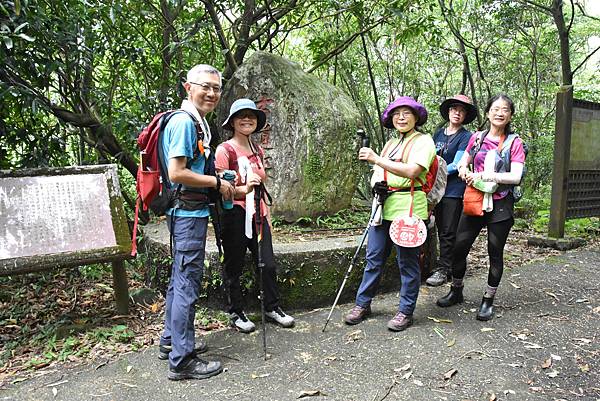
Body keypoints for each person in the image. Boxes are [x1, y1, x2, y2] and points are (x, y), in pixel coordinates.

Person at [158, 64, 234, 381]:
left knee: (179, 279)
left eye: (216, 88)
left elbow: (190, 169)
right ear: (188, 87)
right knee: (187, 284)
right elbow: (177, 173)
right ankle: (182, 359)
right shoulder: (184, 122)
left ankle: (169, 341)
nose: (212, 93)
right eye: (205, 87)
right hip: (187, 215)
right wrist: (216, 184)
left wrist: (217, 180)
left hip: (190, 211)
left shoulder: (195, 121)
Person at [344, 96, 436, 331]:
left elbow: (413, 171)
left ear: (416, 117)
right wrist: (377, 181)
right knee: (373, 258)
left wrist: (377, 158)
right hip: (382, 206)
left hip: (409, 207)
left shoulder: (424, 141)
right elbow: (378, 172)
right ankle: (362, 304)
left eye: (407, 113)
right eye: (397, 114)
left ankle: (406, 311)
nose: (401, 117)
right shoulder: (390, 143)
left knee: (407, 262)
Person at [436, 94, 526, 321]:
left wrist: (491, 175)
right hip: (475, 199)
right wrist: (465, 171)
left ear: (510, 115)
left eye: (505, 109)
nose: (499, 112)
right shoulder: (476, 138)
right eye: (495, 108)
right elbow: (464, 162)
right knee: (459, 247)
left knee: (494, 253)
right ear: (488, 113)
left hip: (500, 204)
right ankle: (456, 290)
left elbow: (515, 176)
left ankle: (488, 300)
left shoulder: (515, 143)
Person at [215, 98, 295, 334]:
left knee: (267, 263)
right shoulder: (225, 150)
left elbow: (262, 185)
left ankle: (272, 307)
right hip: (235, 214)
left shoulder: (256, 149)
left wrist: (266, 212)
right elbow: (222, 190)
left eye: (251, 115)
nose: (247, 119)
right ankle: (236, 311)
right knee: (234, 265)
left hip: (258, 214)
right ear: (233, 122)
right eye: (242, 116)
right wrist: (244, 190)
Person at [426, 95, 476, 286]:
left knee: (448, 230)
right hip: (434, 190)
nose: (457, 113)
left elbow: (457, 164)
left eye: (462, 110)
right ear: (448, 112)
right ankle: (448, 263)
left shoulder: (466, 137)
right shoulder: (438, 134)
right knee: (437, 227)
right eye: (454, 109)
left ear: (465, 115)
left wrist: (434, 169)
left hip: (453, 191)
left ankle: (444, 268)